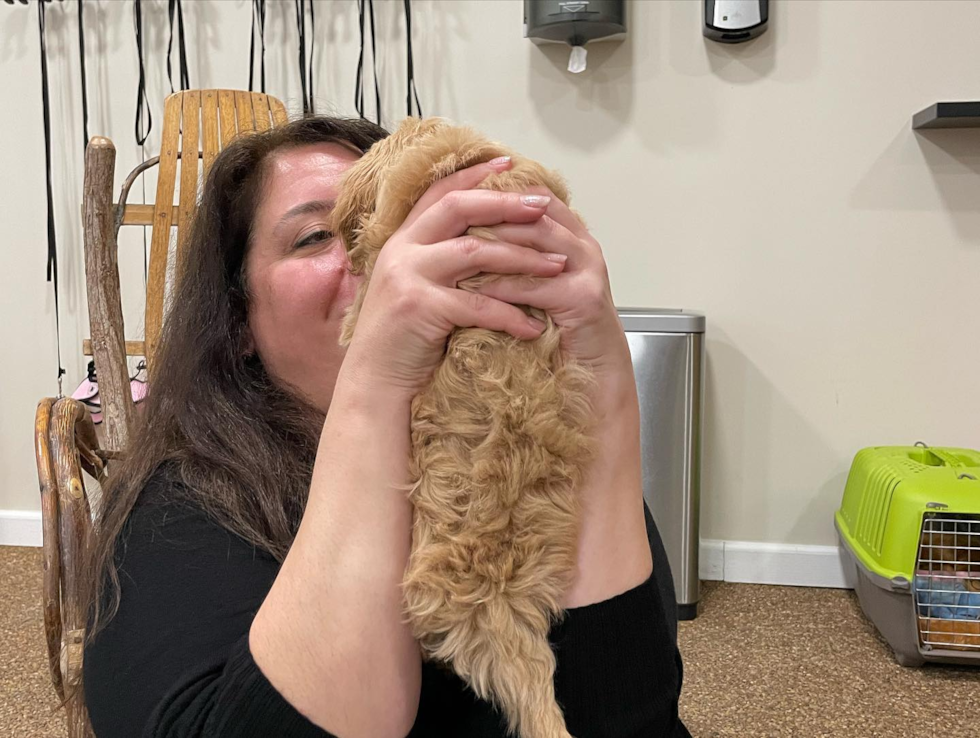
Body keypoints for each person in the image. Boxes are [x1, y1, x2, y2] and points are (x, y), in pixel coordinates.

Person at [81, 116, 689, 738]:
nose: (390, 256)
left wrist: (599, 382)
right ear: (239, 323)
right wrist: (377, 387)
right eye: (316, 235)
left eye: (404, 218)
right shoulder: (181, 512)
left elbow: (632, 719)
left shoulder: (529, 468)